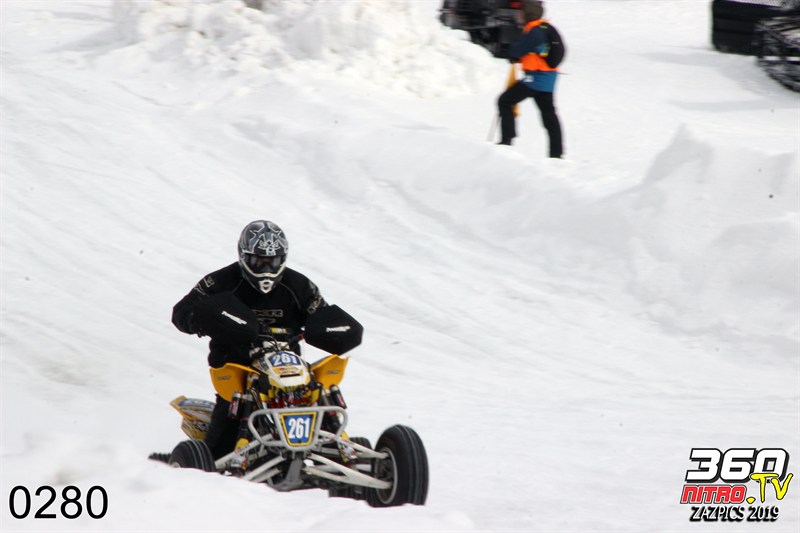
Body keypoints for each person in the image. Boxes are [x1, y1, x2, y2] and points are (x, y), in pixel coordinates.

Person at [172, 219, 344, 459]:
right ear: (244, 256)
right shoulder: (221, 282)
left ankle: (344, 452)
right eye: (259, 261)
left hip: (290, 369)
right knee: (219, 447)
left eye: (272, 262)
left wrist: (329, 328)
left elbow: (321, 313)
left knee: (321, 393)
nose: (266, 269)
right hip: (238, 371)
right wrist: (199, 321)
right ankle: (205, 463)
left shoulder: (299, 286)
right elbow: (182, 311)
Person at [497, 0, 563, 158]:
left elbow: (517, 50)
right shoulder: (546, 27)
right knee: (549, 115)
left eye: (521, 12)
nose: (518, 15)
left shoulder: (534, 31)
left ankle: (506, 141)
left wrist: (513, 54)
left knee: (505, 101)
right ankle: (556, 154)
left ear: (527, 14)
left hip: (536, 79)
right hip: (548, 78)